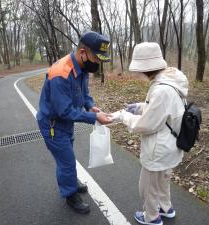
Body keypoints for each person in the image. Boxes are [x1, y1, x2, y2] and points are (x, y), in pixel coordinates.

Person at [37, 31, 113, 214]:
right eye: (96, 57)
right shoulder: (60, 74)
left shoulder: (82, 68)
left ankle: (69, 180)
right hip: (53, 124)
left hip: (66, 122)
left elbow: (84, 94)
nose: (97, 63)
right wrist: (94, 118)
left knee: (67, 156)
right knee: (67, 162)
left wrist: (91, 107)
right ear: (82, 52)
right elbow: (64, 111)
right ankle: (69, 194)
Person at [118, 42, 188, 225]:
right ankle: (166, 208)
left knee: (148, 186)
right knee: (163, 180)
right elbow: (164, 110)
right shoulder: (173, 79)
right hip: (171, 144)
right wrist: (140, 107)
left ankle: (152, 217)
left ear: (145, 67)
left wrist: (123, 116)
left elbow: (146, 125)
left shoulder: (161, 89)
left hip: (159, 148)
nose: (140, 74)